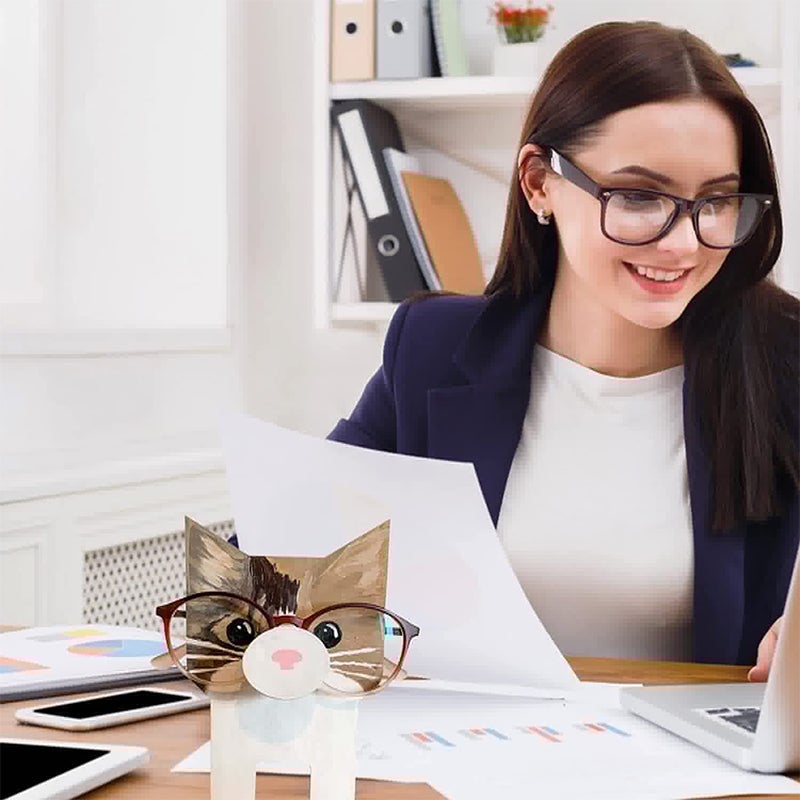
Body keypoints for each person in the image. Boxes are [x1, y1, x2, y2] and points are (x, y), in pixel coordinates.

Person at [327, 21, 799, 678]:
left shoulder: (785, 362)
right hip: (467, 756)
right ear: (539, 183)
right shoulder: (434, 347)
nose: (684, 244)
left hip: (693, 771)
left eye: (716, 201)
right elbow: (285, 544)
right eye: (639, 195)